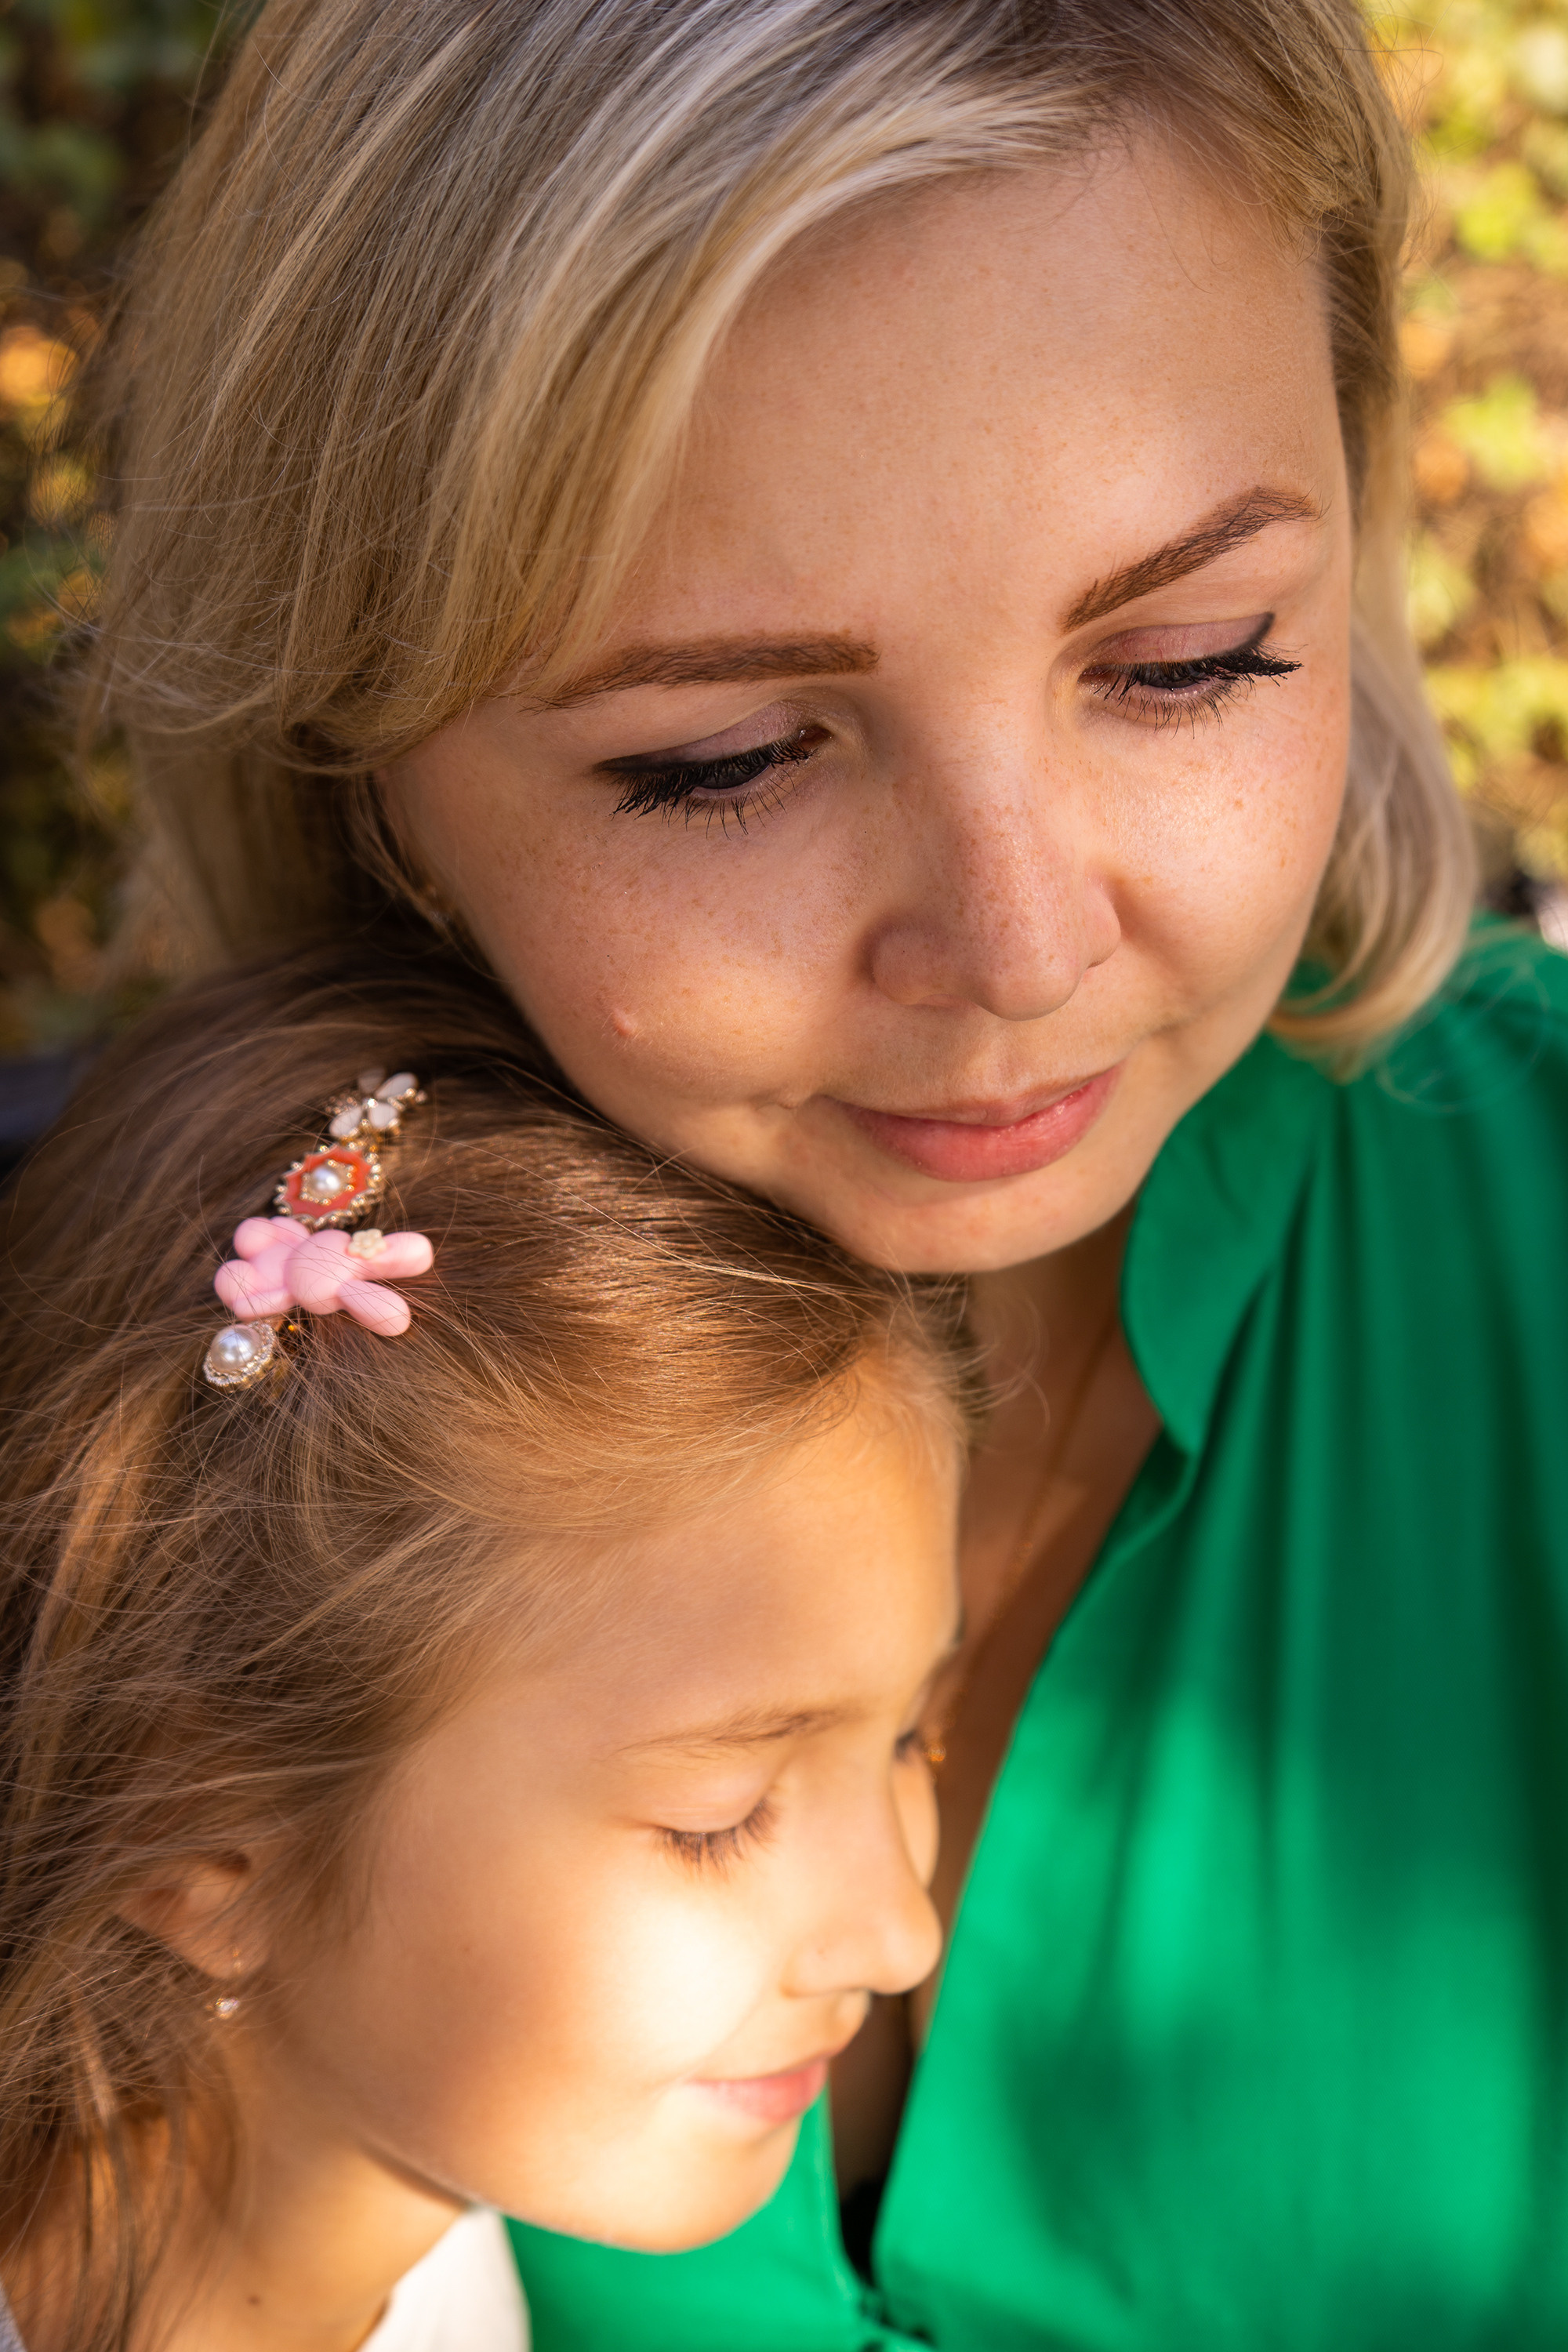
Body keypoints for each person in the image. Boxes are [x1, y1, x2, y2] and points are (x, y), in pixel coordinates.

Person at [71, 0, 1568, 2339]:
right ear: (364, 758)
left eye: (1185, 659)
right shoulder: (195, 1425)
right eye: (725, 756)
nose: (1020, 945)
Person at [0, 946, 969, 2351]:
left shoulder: (446, 2280)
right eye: (721, 1820)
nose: (898, 1938)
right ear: (203, 1852)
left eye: (909, 1740)